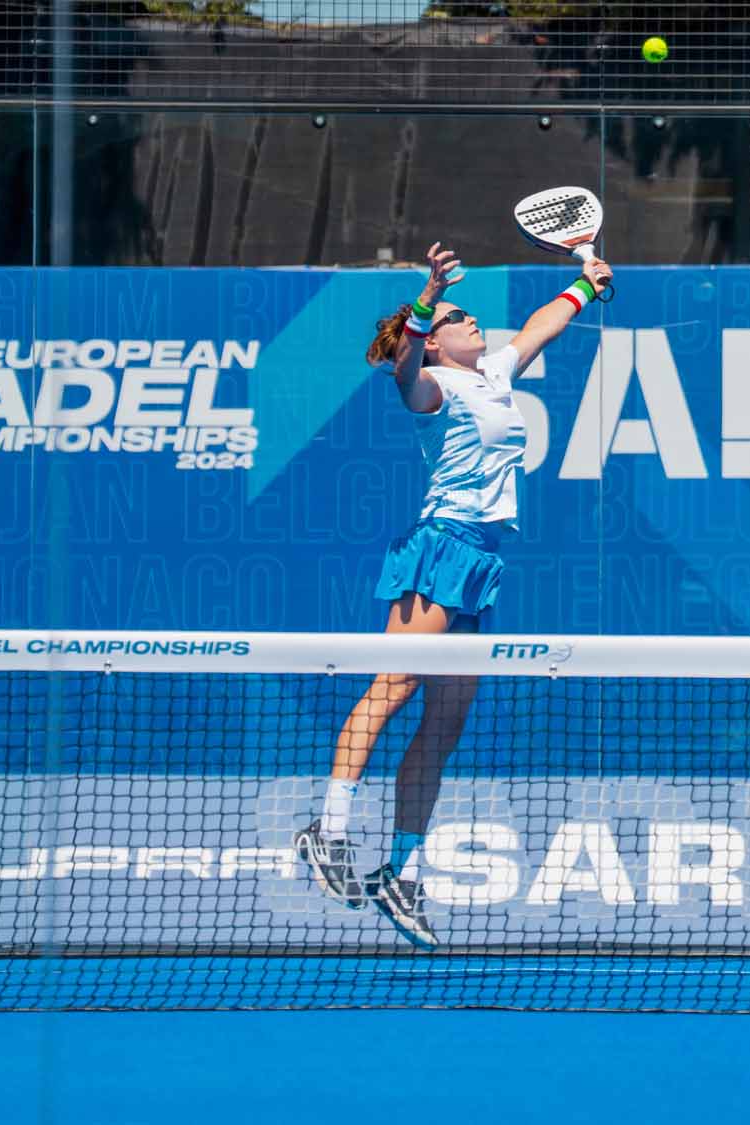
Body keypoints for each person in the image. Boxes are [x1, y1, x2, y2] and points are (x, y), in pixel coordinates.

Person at [296, 241, 613, 948]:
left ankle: (401, 871)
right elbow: (403, 371)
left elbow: (540, 327)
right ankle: (330, 830)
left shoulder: (493, 373)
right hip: (440, 546)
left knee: (446, 720)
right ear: (436, 340)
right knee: (394, 686)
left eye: (467, 315)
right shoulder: (433, 384)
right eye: (458, 318)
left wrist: (586, 285)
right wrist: (426, 300)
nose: (473, 322)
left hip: (482, 560)